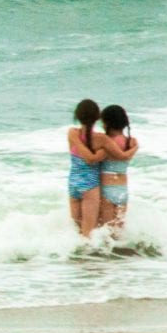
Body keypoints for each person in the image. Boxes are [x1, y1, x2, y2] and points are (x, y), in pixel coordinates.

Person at [95, 104, 138, 237]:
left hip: (107, 188)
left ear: (108, 123)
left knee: (106, 231)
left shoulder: (106, 142)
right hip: (122, 189)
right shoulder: (131, 142)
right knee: (118, 232)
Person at [64, 98, 103, 236]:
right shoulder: (101, 139)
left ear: (77, 115)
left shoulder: (72, 133)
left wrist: (76, 140)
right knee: (88, 234)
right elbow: (92, 159)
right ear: (97, 117)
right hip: (89, 185)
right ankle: (87, 258)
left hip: (73, 183)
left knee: (77, 231)